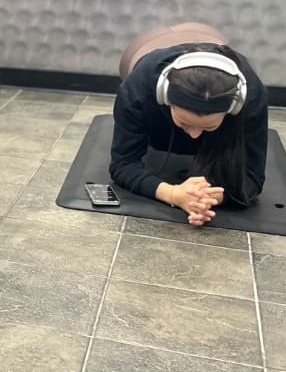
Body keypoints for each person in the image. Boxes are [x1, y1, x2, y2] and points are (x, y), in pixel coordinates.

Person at [110, 23, 269, 226]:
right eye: (184, 122)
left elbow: (253, 177)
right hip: (147, 45)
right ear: (163, 96)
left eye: (209, 127)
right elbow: (123, 164)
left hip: (206, 34)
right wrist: (173, 194)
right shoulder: (138, 89)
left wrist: (207, 198)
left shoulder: (252, 98)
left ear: (234, 109)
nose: (194, 136)